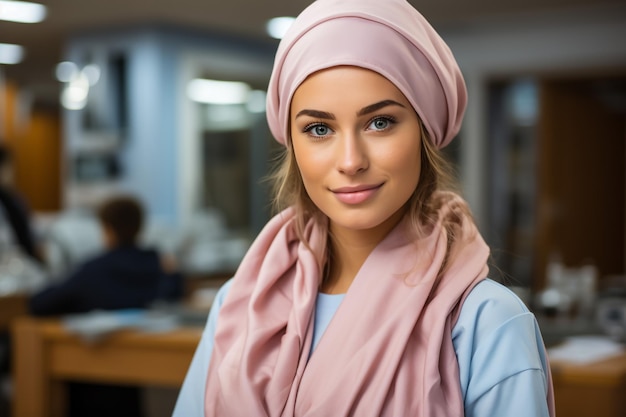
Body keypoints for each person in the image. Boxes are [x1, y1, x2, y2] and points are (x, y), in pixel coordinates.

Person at [173, 0, 556, 415]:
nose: (351, 160)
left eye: (380, 122)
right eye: (319, 129)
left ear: (425, 132)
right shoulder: (241, 305)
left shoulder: (488, 324)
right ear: (293, 146)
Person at [30, 194, 183, 417]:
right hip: (141, 372)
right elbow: (173, 292)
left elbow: (40, 303)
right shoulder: (158, 262)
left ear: (107, 229)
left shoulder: (94, 268)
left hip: (93, 377)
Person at [0, 143, 44, 263]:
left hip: (26, 259)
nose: (12, 173)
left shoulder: (16, 199)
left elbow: (30, 230)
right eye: (8, 167)